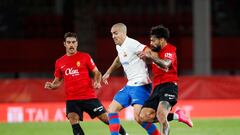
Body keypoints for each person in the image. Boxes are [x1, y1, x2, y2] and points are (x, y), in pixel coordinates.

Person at [102, 23, 192, 135]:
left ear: (123, 33)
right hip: (137, 85)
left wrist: (149, 55)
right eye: (111, 34)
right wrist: (108, 72)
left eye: (115, 33)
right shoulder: (119, 46)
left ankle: (176, 116)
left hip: (145, 85)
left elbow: (154, 56)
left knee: (144, 117)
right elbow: (119, 59)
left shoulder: (134, 44)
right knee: (113, 109)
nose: (113, 36)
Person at [44, 32, 127, 135]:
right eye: (69, 42)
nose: (71, 45)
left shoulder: (85, 57)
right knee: (73, 119)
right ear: (64, 44)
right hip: (72, 99)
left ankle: (125, 134)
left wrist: (97, 81)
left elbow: (96, 72)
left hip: (88, 97)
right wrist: (52, 85)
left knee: (106, 118)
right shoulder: (59, 62)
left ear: (77, 43)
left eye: (73, 42)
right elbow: (57, 80)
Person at [138, 25, 193, 135]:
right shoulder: (155, 52)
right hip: (157, 88)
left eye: (153, 40)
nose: (151, 43)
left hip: (169, 86)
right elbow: (153, 61)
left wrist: (151, 56)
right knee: (143, 117)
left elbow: (166, 64)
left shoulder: (170, 50)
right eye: (150, 40)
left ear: (162, 40)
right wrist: (144, 58)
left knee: (161, 115)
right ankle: (178, 116)